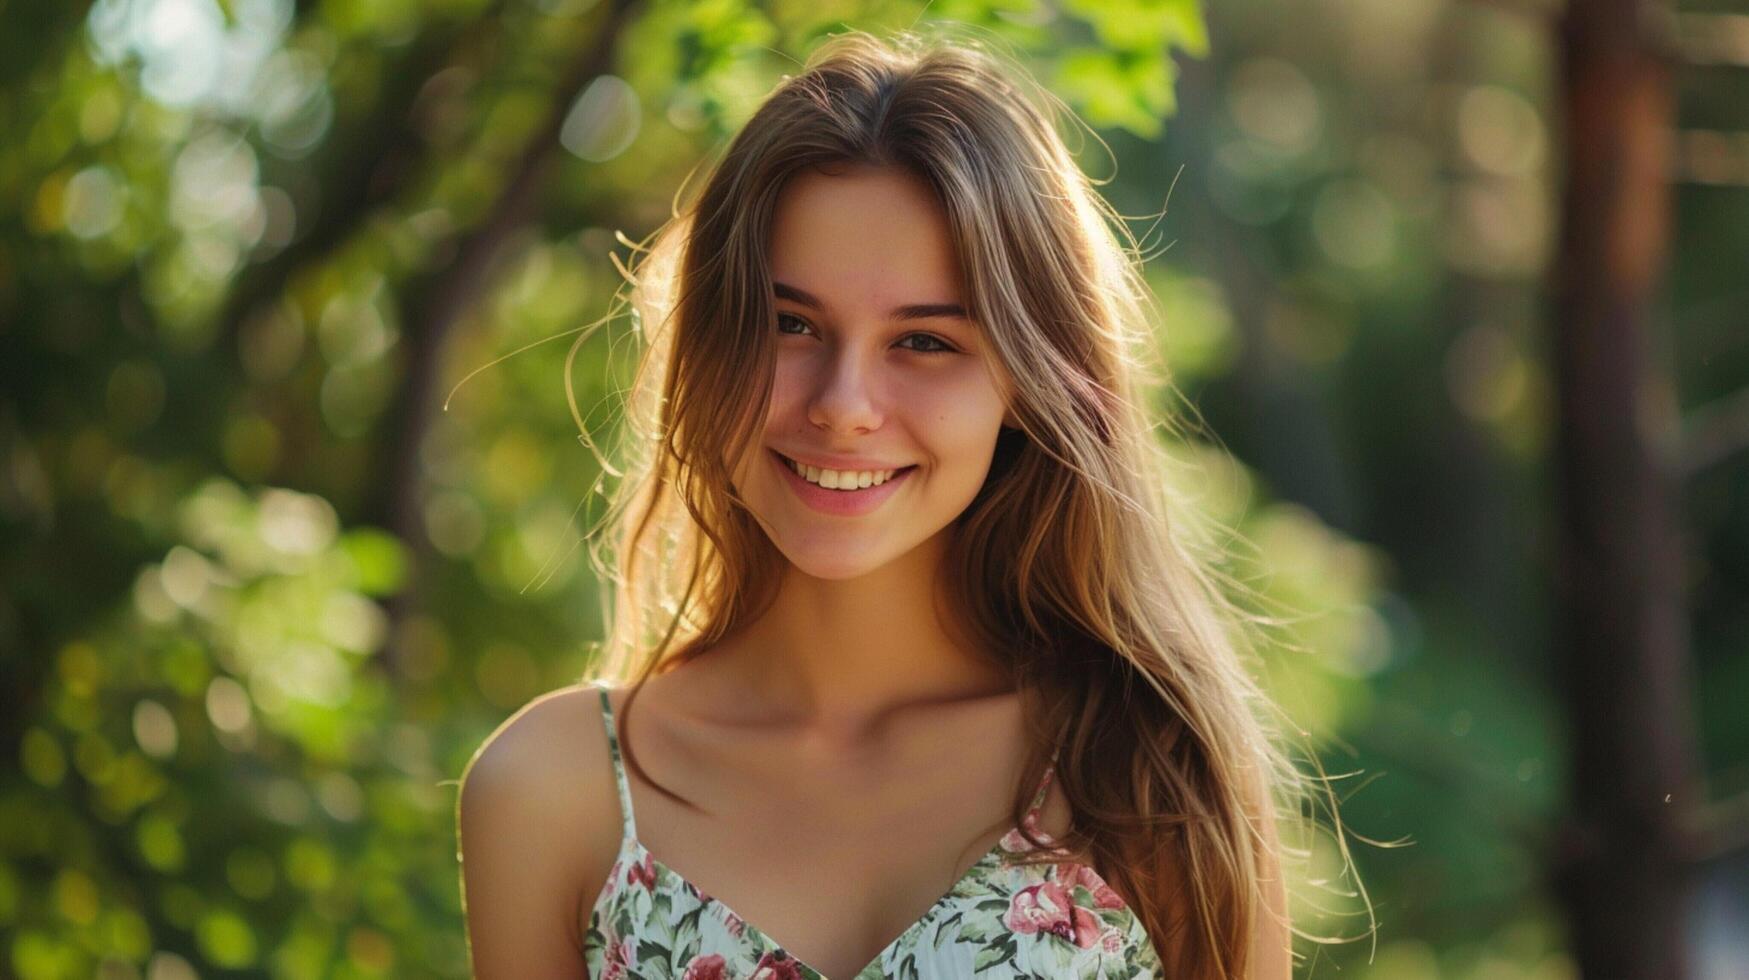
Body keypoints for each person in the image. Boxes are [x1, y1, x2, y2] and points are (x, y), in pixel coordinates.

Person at [459, 27, 1348, 979]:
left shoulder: (1152, 778)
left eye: (924, 342)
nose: (842, 406)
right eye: (787, 323)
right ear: (706, 347)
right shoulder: (556, 791)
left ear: (1028, 382)